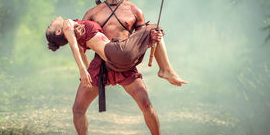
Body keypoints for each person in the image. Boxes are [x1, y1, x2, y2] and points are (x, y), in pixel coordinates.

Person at [64, 0, 186, 135]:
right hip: (100, 64)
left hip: (125, 64)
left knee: (146, 105)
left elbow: (141, 38)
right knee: (78, 109)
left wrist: (154, 36)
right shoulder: (92, 12)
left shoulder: (134, 10)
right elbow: (82, 45)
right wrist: (85, 70)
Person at [46, 17, 186, 86]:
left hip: (117, 60)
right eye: (50, 25)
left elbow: (81, 53)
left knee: (154, 32)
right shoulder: (67, 24)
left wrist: (88, 71)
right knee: (153, 27)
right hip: (116, 53)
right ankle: (165, 69)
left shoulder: (76, 31)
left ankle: (165, 69)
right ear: (59, 31)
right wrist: (83, 71)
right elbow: (74, 48)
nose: (52, 20)